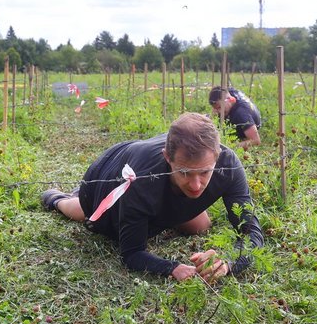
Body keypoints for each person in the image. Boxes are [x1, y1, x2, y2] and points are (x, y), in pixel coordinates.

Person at [41, 113, 264, 282]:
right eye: (185, 172)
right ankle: (57, 198)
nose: (196, 185)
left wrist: (227, 264)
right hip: (106, 181)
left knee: (201, 225)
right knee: (85, 214)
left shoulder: (229, 165)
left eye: (205, 172)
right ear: (167, 158)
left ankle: (167, 196)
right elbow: (132, 252)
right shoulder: (141, 179)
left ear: (217, 156)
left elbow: (251, 233)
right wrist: (172, 267)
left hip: (159, 191)